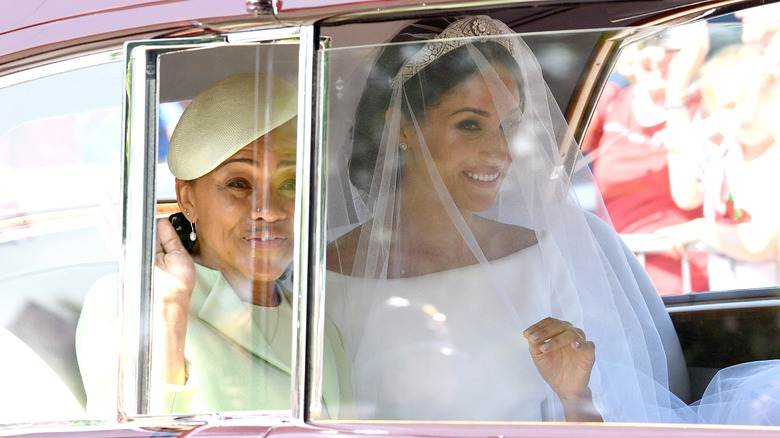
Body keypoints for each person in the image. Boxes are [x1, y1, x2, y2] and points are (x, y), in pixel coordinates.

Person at [323, 15, 780, 424]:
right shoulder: (325, 274)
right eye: (470, 124)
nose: (499, 151)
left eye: (510, 125)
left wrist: (575, 392)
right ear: (401, 126)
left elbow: (587, 420)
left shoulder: (543, 252)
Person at [76, 73, 350, 417]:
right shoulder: (130, 303)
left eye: (290, 182)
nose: (269, 209)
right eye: (238, 183)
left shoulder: (316, 326)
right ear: (186, 198)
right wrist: (169, 313)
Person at [581, 24, 711, 295]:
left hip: (683, 280)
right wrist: (613, 60)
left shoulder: (703, 106)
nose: (657, 55)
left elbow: (688, 196)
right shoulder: (613, 99)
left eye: (672, 46)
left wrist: (677, 92)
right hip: (620, 278)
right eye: (646, 43)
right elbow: (554, 153)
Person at [656, 42, 780, 290]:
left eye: (753, 100)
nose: (747, 114)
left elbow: (758, 243)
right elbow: (686, 196)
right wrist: (675, 95)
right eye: (730, 105)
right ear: (713, 109)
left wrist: (701, 228)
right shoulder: (724, 151)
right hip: (728, 303)